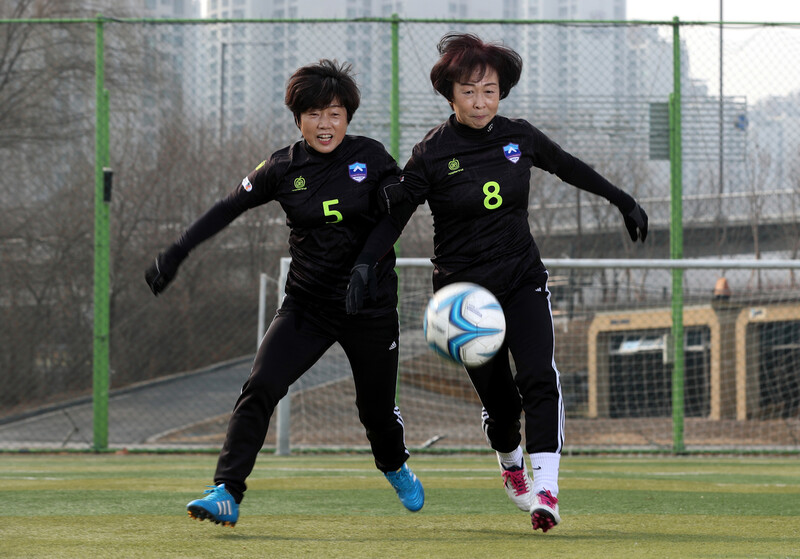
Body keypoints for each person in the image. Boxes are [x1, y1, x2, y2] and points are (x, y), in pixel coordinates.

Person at [347, 33, 647, 533]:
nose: (481, 101)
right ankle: (511, 465)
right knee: (503, 405)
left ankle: (546, 490)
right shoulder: (432, 152)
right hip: (464, 298)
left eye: (489, 90)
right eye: (469, 91)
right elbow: (394, 219)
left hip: (521, 277)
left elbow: (570, 166)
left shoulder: (520, 136)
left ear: (501, 91)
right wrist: (363, 263)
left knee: (538, 377)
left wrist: (622, 200)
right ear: (450, 94)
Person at [145, 59, 424, 527]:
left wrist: (364, 265)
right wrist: (177, 252)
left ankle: (394, 464)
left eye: (334, 113)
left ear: (347, 117)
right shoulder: (281, 167)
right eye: (314, 113)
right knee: (261, 386)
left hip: (369, 305)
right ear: (298, 117)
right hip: (308, 305)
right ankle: (226, 491)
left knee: (374, 413)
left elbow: (395, 216)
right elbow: (227, 208)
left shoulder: (372, 157)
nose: (325, 123)